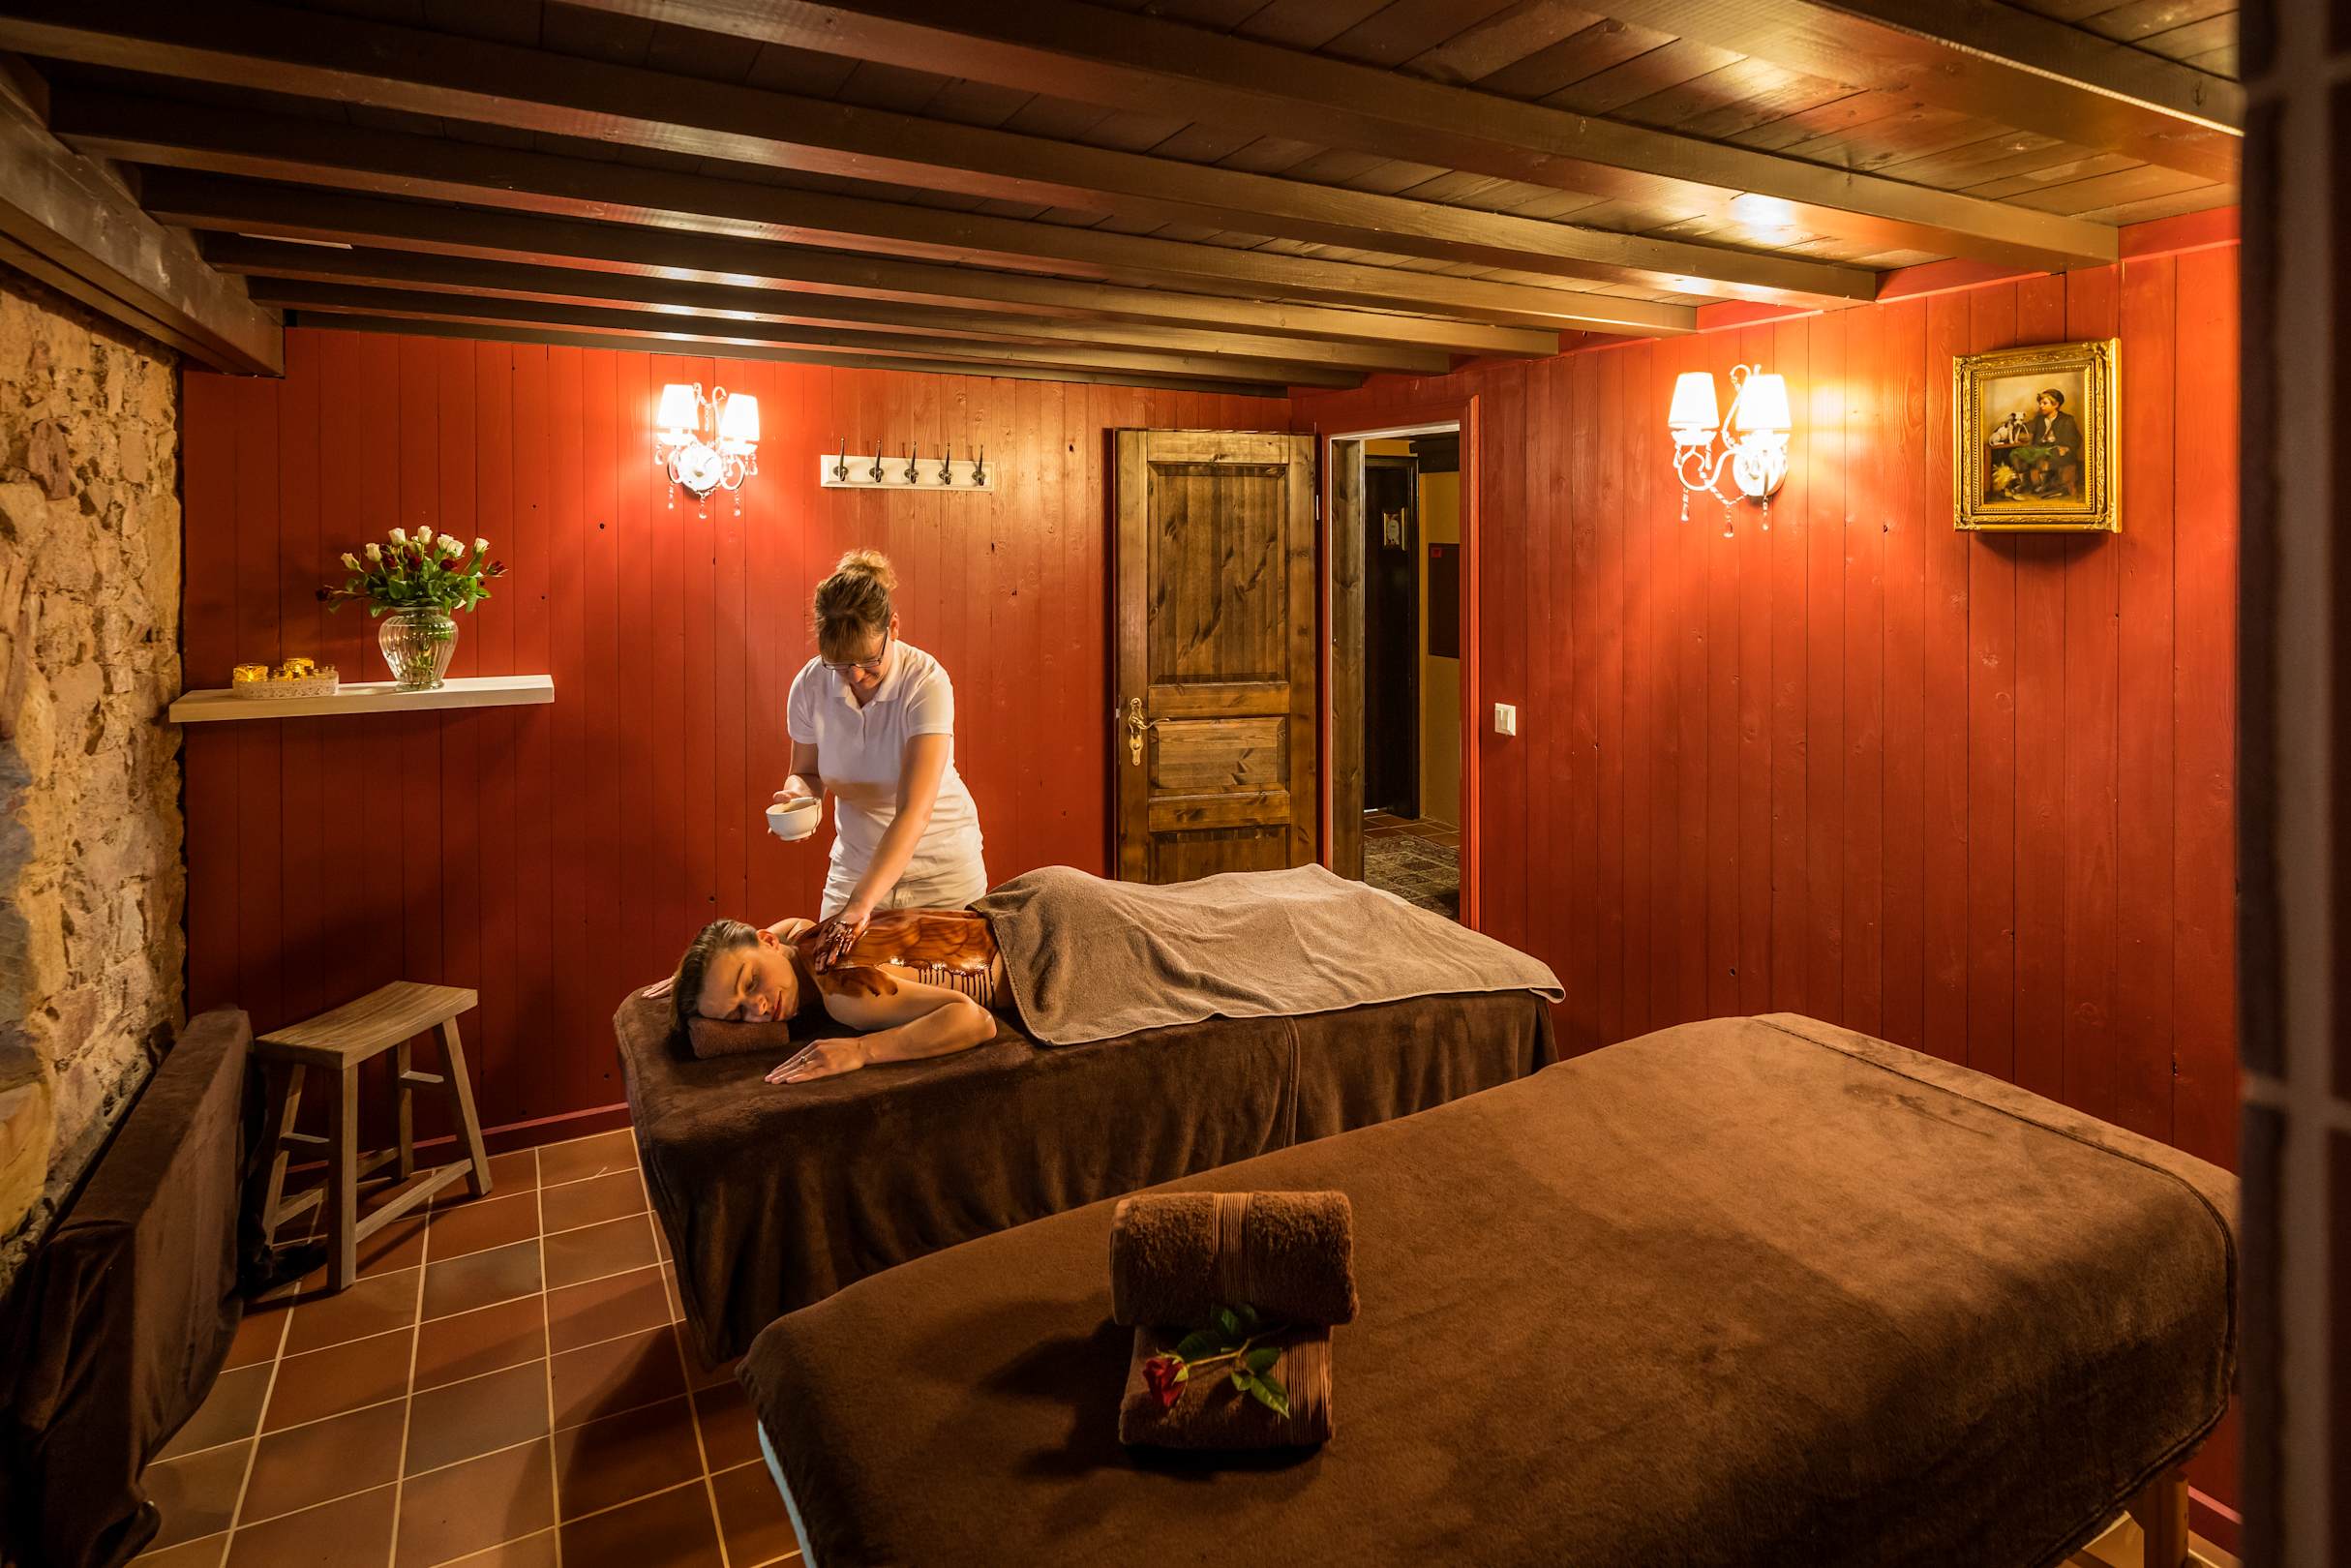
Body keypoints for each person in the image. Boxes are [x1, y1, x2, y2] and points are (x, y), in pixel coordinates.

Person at [777, 551, 987, 967]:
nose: (855, 675)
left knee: (951, 986)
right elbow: (805, 772)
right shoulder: (810, 685)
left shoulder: (925, 681)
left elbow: (914, 811)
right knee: (835, 980)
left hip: (940, 866)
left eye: (868, 661)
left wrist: (860, 905)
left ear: (893, 627)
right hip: (856, 862)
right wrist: (798, 796)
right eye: (840, 664)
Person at [646, 908, 1004, 1082]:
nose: (759, 1008)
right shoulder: (806, 939)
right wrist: (706, 969)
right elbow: (790, 924)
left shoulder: (845, 999)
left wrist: (862, 1050)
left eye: (751, 982)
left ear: (768, 941)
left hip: (1027, 948)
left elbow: (976, 1020)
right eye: (738, 1014)